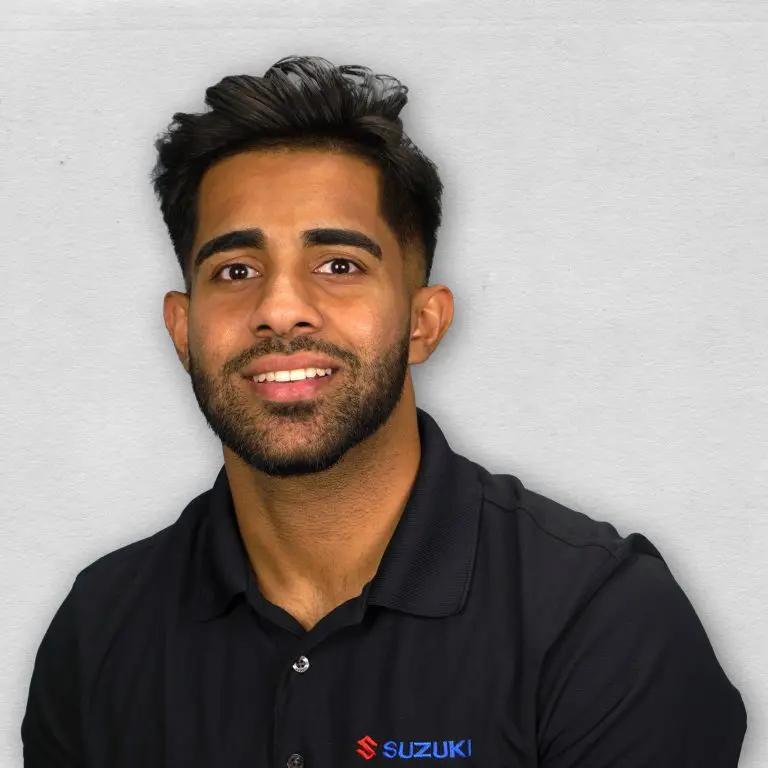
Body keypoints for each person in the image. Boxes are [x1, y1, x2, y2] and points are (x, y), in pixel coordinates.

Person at [21, 55, 747, 767]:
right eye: (235, 270)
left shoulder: (603, 619)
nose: (280, 308)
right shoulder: (100, 627)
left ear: (423, 323)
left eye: (339, 265)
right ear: (183, 331)